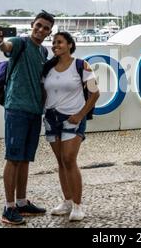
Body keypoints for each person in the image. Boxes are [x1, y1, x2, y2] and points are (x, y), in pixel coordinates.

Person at [0, 10, 55, 225]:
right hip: (17, 109)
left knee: (26, 158)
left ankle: (21, 202)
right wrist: (1, 42)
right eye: (38, 25)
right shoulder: (20, 43)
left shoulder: (43, 53)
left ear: (50, 32)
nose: (41, 30)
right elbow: (7, 48)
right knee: (13, 158)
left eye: (46, 28)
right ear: (32, 24)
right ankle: (8, 208)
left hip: (34, 111)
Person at [42, 31, 99, 221]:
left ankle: (77, 205)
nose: (55, 45)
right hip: (51, 118)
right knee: (60, 161)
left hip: (72, 118)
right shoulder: (48, 68)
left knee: (69, 159)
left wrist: (80, 115)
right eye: (53, 42)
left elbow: (94, 93)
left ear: (69, 45)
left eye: (59, 42)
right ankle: (66, 202)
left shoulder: (81, 65)